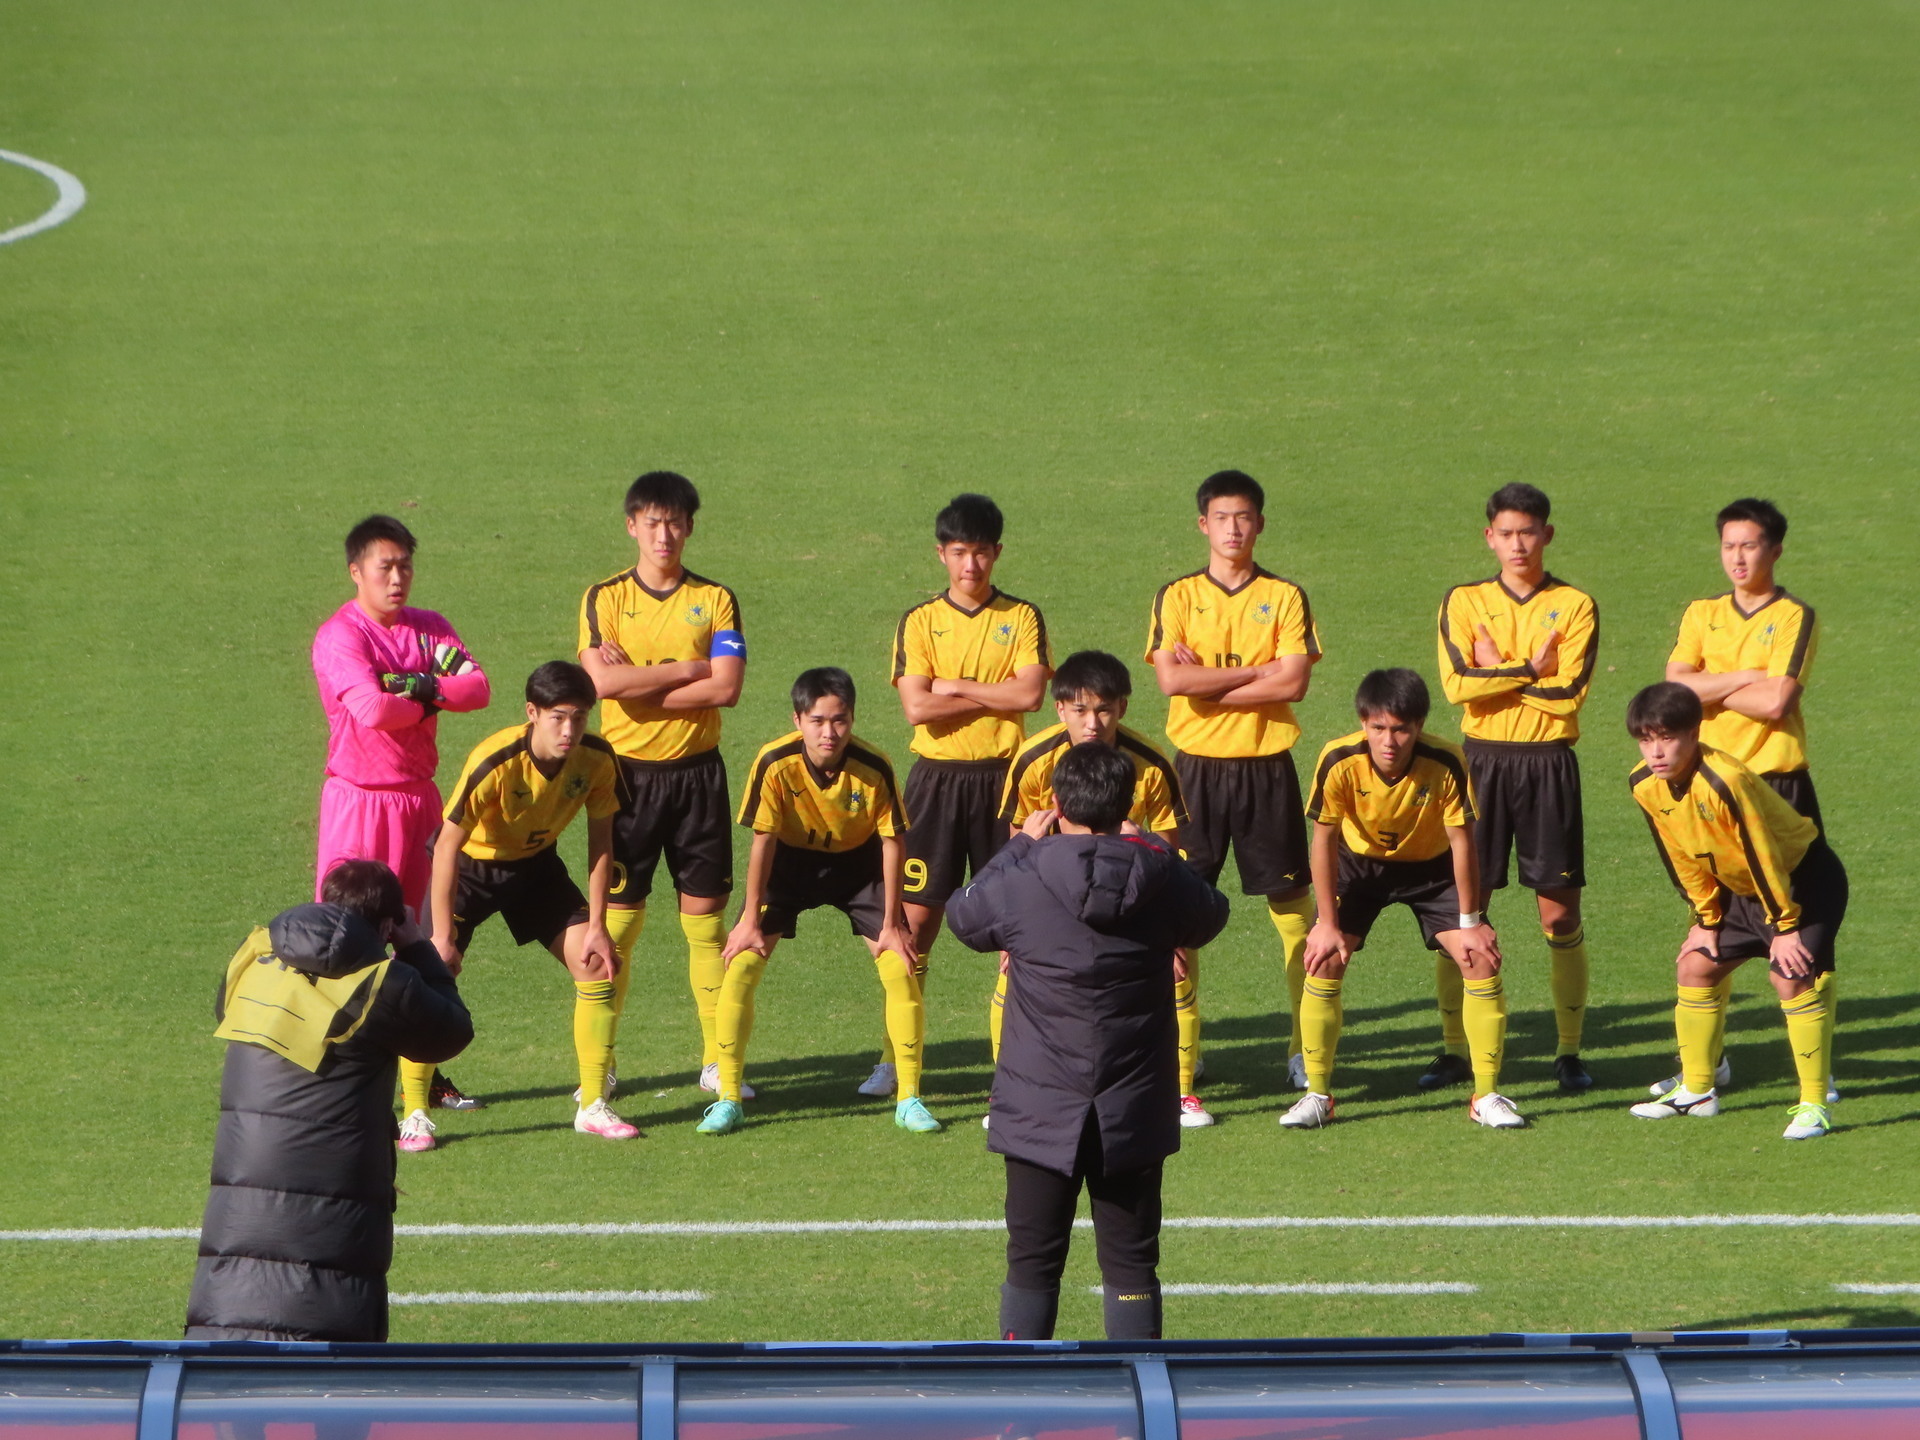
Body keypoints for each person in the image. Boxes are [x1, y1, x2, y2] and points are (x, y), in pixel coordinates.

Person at [948, 743, 1230, 1341]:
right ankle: (1139, 1412)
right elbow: (1211, 914)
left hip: (1039, 1106)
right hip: (1131, 1107)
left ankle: (1023, 1417)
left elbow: (963, 917)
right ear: (1129, 806)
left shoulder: (1023, 879)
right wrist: (1150, 842)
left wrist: (1021, 843)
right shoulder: (1159, 877)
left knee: (1031, 1264)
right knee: (1131, 1265)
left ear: (1054, 803)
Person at [185, 860, 473, 1341]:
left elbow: (224, 1007)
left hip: (242, 1195)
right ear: (385, 926)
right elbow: (451, 1032)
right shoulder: (382, 985)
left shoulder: (252, 958)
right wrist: (417, 945)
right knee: (334, 1373)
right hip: (333, 1207)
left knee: (232, 1355)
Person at [406, 662, 636, 1153]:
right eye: (557, 717)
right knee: (426, 978)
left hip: (536, 869)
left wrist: (597, 925)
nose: (570, 730)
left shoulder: (596, 759)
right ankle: (414, 1113)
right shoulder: (496, 761)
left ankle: (592, 1105)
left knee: (597, 965)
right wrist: (441, 938)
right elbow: (446, 846)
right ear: (532, 713)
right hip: (471, 869)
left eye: (579, 717)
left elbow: (601, 844)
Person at [699, 667, 937, 1136]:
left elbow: (892, 843)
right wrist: (749, 919)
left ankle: (909, 1097)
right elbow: (763, 841)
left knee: (899, 966)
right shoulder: (774, 763)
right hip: (790, 867)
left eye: (840, 720)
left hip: (858, 868)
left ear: (853, 718)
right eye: (818, 721)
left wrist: (892, 922)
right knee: (742, 964)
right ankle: (727, 1098)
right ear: (797, 719)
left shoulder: (875, 766)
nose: (830, 733)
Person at [1146, 470, 1320, 1091]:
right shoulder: (1177, 596)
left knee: (1295, 916)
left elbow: (1294, 682)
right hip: (1193, 774)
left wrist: (1213, 684)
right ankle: (1183, 1056)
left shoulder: (1286, 596)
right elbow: (1172, 683)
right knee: (1177, 918)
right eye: (1222, 518)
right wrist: (1256, 675)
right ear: (1203, 525)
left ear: (1260, 524)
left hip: (1268, 769)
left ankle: (1304, 1047)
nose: (1234, 528)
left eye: (1244, 517)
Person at [312, 513, 490, 1118]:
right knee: (346, 941)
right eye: (385, 566)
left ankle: (423, 1073)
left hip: (419, 800)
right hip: (359, 801)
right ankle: (334, 1075)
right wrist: (429, 689)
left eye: (405, 565)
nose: (398, 577)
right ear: (356, 571)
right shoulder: (342, 637)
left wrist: (414, 687)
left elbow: (478, 688)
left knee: (416, 937)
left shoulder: (430, 628)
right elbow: (370, 710)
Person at [1289, 669, 1521, 1130]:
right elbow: (1322, 841)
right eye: (1378, 728)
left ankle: (1486, 1094)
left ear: (1418, 726)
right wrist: (1327, 924)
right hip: (1359, 866)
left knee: (1479, 958)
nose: (1389, 740)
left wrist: (1472, 920)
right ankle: (1318, 1094)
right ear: (1363, 723)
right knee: (1324, 959)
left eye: (1401, 729)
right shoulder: (1338, 760)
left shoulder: (1447, 760)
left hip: (1431, 869)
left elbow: (1462, 843)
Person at [578, 471, 746, 1101]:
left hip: (700, 778)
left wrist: (643, 681)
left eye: (675, 521)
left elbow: (726, 688)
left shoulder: (717, 599)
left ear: (690, 527)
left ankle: (715, 1060)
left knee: (705, 924)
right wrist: (686, 669)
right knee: (616, 925)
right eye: (652, 521)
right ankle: (605, 1061)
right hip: (625, 780)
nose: (664, 534)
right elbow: (601, 686)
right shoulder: (604, 598)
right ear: (631, 526)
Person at [1658, 498, 1830, 1099]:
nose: (1737, 556)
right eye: (1728, 545)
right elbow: (1672, 690)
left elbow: (1777, 702)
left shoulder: (1794, 616)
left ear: (1774, 550)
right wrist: (1742, 681)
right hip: (1714, 788)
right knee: (1709, 925)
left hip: (1778, 786)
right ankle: (1709, 1064)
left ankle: (1818, 1070)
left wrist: (1707, 690)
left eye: (1749, 545)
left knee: (1802, 926)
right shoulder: (1701, 612)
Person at [992, 651, 1208, 1127]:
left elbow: (1166, 853)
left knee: (1177, 971)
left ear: (1123, 708)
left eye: (1104, 709)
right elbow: (1021, 839)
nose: (1093, 723)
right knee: (1013, 977)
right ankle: (1006, 1091)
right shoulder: (1031, 762)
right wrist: (1012, 931)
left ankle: (1183, 1092)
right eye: (1081, 710)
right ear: (1060, 709)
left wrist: (1170, 933)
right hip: (1052, 890)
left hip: (1128, 889)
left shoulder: (1151, 764)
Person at [883, 493, 1051, 1098]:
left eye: (981, 553)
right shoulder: (919, 621)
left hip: (1007, 782)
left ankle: (1021, 1063)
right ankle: (895, 1063)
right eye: (959, 553)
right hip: (935, 782)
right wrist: (990, 690)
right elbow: (915, 707)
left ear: (997, 553)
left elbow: (1029, 697)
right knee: (915, 921)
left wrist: (953, 683)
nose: (971, 566)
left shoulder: (1023, 617)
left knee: (1020, 924)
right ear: (941, 555)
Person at [1435, 483, 1599, 1095]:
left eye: (1528, 532)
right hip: (1479, 764)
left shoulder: (1576, 605)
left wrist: (1493, 671)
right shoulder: (1463, 600)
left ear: (1546, 535)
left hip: (1548, 763)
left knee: (1558, 916)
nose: (1517, 543)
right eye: (1505, 533)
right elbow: (1456, 686)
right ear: (1490, 538)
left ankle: (1569, 1052)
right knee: (1462, 910)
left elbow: (1569, 694)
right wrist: (1530, 667)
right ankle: (1454, 1049)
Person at [1624, 684, 1844, 1139]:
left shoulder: (1725, 780)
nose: (1656, 751)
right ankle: (1699, 1091)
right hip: (1741, 890)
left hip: (1803, 881)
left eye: (1666, 737)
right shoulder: (1644, 784)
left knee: (1789, 973)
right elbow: (1679, 854)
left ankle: (1815, 1104)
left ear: (1695, 732)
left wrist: (1785, 927)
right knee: (1695, 966)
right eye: (1646, 740)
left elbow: (1762, 853)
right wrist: (1706, 920)